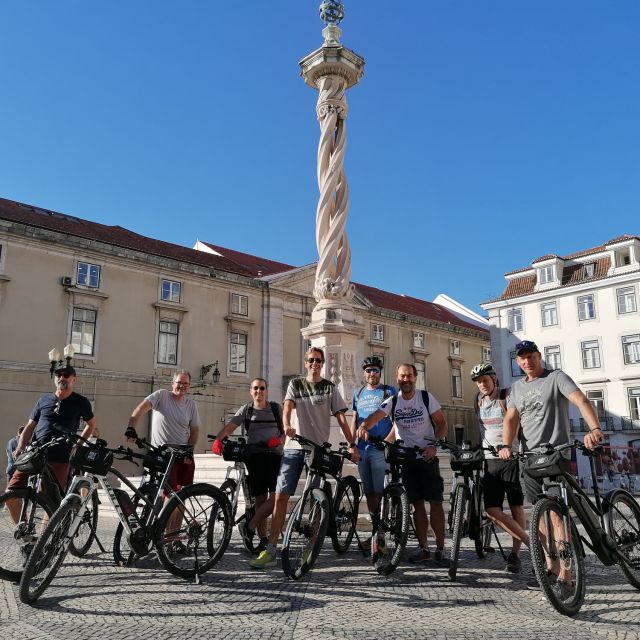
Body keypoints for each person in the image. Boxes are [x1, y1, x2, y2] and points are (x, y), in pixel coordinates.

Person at [498, 340, 603, 590]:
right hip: (530, 458)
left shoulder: (556, 378)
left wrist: (595, 429)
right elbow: (511, 419)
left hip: (557, 454)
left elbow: (580, 400)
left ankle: (565, 576)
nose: (527, 361)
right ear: (517, 362)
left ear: (538, 356)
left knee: (557, 517)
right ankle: (550, 567)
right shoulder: (516, 389)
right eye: (522, 358)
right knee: (541, 516)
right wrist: (506, 446)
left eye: (530, 356)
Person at [249, 346, 359, 569]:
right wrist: (287, 425)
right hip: (294, 446)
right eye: (311, 360)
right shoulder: (296, 384)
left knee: (317, 499)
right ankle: (271, 548)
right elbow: (288, 407)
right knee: (280, 495)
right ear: (306, 362)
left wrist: (352, 444)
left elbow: (341, 418)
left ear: (323, 362)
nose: (315, 364)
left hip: (317, 449)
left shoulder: (329, 388)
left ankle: (311, 544)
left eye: (319, 360)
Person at [359, 363, 450, 566]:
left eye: (409, 376)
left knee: (435, 503)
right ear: (397, 378)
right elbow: (376, 416)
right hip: (406, 458)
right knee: (416, 505)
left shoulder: (426, 398)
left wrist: (434, 445)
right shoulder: (393, 401)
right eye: (402, 376)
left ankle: (441, 548)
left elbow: (442, 423)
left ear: (415, 377)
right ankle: (424, 547)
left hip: (426, 456)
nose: (405, 380)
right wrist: (365, 425)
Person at [7, 364, 97, 521]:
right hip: (35, 453)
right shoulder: (44, 399)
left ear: (73, 379)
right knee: (10, 495)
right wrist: (21, 446)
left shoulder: (81, 402)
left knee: (52, 505)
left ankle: (44, 543)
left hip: (60, 457)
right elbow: (30, 426)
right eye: (58, 375)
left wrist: (78, 445)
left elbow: (91, 424)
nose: (62, 378)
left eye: (66, 375)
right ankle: (24, 532)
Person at [211, 378, 284, 553]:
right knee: (260, 499)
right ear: (251, 391)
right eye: (256, 388)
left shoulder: (275, 408)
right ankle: (263, 539)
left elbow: (285, 430)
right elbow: (231, 426)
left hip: (274, 456)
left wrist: (279, 441)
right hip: (255, 457)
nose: (259, 391)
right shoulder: (247, 409)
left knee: (275, 498)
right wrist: (218, 440)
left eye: (262, 388)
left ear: (266, 391)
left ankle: (249, 525)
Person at [470, 362, 529, 573]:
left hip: (510, 458)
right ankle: (530, 542)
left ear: (494, 379)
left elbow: (518, 422)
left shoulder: (506, 397)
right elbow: (482, 430)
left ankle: (516, 554)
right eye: (478, 382)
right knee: (492, 510)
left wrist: (511, 446)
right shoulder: (477, 400)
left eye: (485, 380)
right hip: (489, 460)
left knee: (515, 507)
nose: (482, 384)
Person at [126, 370, 200, 491]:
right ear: (172, 383)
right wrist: (131, 428)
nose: (182, 386)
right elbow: (139, 410)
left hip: (182, 456)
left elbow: (195, 431)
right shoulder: (162, 395)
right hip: (161, 455)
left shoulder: (191, 405)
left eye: (186, 383)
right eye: (179, 382)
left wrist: (189, 451)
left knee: (182, 495)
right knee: (165, 494)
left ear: (189, 386)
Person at [350, 356, 396, 550]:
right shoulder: (358, 392)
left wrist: (388, 442)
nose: (372, 373)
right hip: (362, 449)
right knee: (369, 493)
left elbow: (396, 419)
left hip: (379, 448)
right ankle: (376, 532)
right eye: (368, 370)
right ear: (364, 373)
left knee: (380, 492)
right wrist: (351, 444)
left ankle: (381, 536)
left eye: (375, 370)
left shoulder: (389, 391)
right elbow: (354, 419)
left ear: (380, 372)